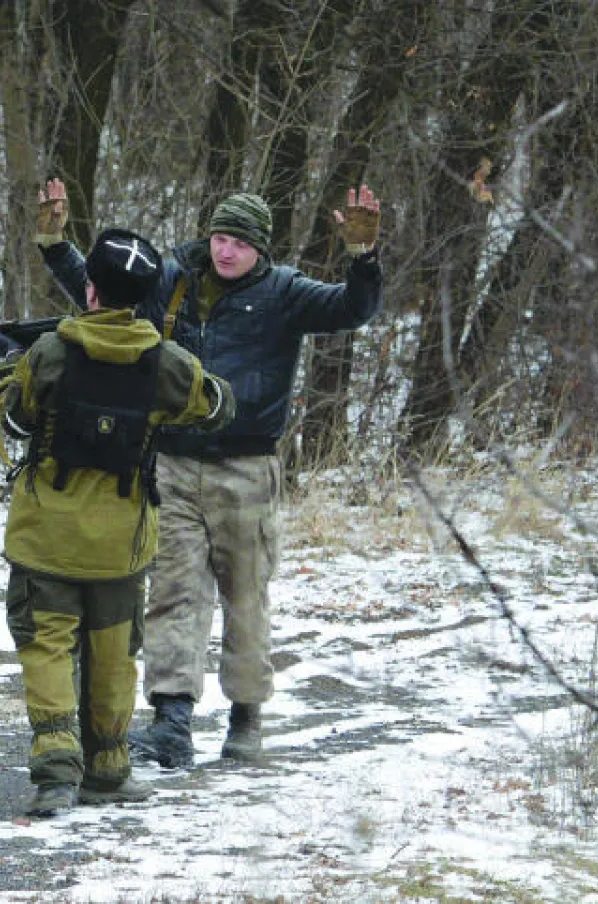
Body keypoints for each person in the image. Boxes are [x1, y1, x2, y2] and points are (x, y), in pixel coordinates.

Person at [35, 179, 383, 766]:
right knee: (173, 593)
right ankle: (172, 722)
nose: (225, 252)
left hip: (246, 470)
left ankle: (246, 719)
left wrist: (363, 259)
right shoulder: (173, 281)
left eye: (239, 244)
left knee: (245, 596)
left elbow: (351, 310)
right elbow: (104, 295)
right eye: (220, 237)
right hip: (171, 463)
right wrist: (54, 244)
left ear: (260, 250)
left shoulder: (284, 293)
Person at [0, 228, 235, 817]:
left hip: (45, 537)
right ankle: (108, 770)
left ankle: (55, 775)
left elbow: (17, 416)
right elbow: (217, 405)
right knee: (113, 656)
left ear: (91, 289)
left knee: (47, 649)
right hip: (121, 544)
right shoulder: (166, 365)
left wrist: (8, 368)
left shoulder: (50, 352)